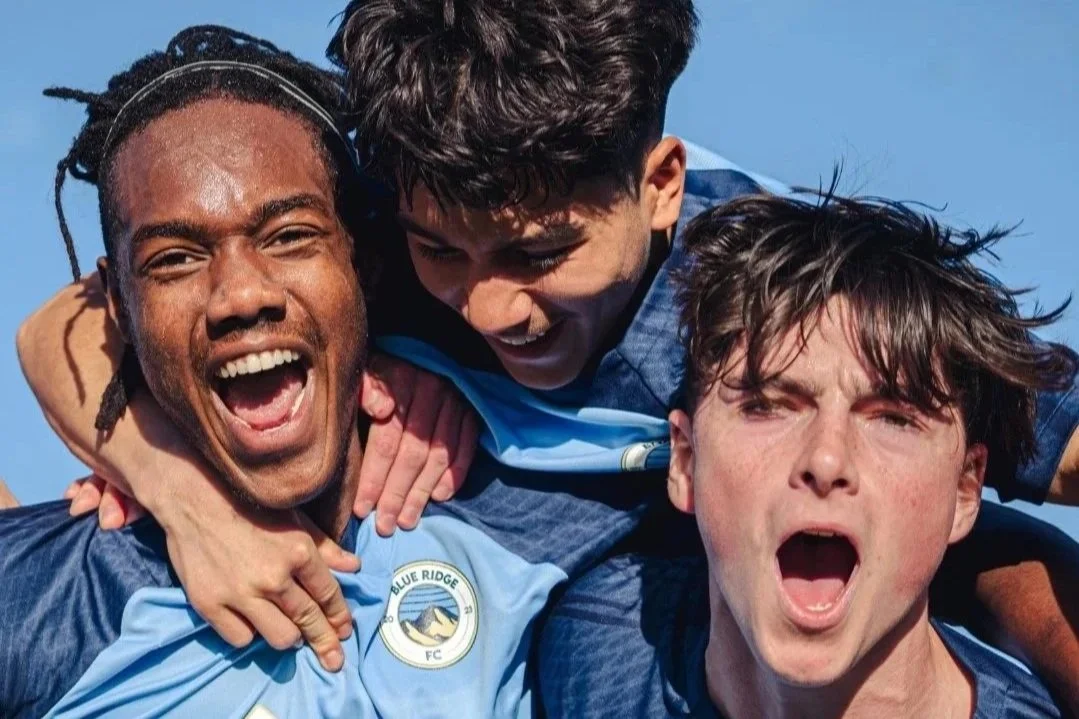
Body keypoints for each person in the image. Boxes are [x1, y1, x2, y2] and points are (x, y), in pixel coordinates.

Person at [17, 0, 1079, 703]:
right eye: (444, 251)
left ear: (658, 185)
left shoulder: (768, 299)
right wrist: (191, 501)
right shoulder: (372, 224)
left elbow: (974, 493)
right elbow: (66, 322)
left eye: (541, 252)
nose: (488, 308)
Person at [0, 26, 661, 717]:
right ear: (118, 307)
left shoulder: (558, 497)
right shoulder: (47, 595)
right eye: (175, 259)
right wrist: (178, 493)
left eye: (289, 237)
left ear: (366, 259)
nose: (240, 296)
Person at [539, 190, 1078, 718]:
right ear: (685, 461)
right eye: (768, 406)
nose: (825, 460)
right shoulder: (594, 650)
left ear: (965, 491)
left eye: (893, 418)